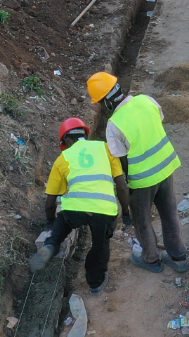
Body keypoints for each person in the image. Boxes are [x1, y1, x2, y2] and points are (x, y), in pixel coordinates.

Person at [88, 72, 188, 274]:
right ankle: (178, 257)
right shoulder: (146, 100)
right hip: (166, 167)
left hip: (143, 179)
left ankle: (151, 258)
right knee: (169, 213)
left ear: (107, 102)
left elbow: (121, 158)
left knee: (141, 219)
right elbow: (157, 124)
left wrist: (128, 188)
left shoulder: (114, 124)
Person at [30, 117, 126, 295]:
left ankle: (51, 244)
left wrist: (50, 222)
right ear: (85, 134)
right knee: (100, 244)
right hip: (103, 210)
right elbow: (121, 185)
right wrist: (126, 212)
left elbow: (50, 203)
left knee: (63, 222)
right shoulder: (105, 148)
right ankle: (95, 283)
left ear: (66, 139)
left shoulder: (63, 158)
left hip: (75, 208)